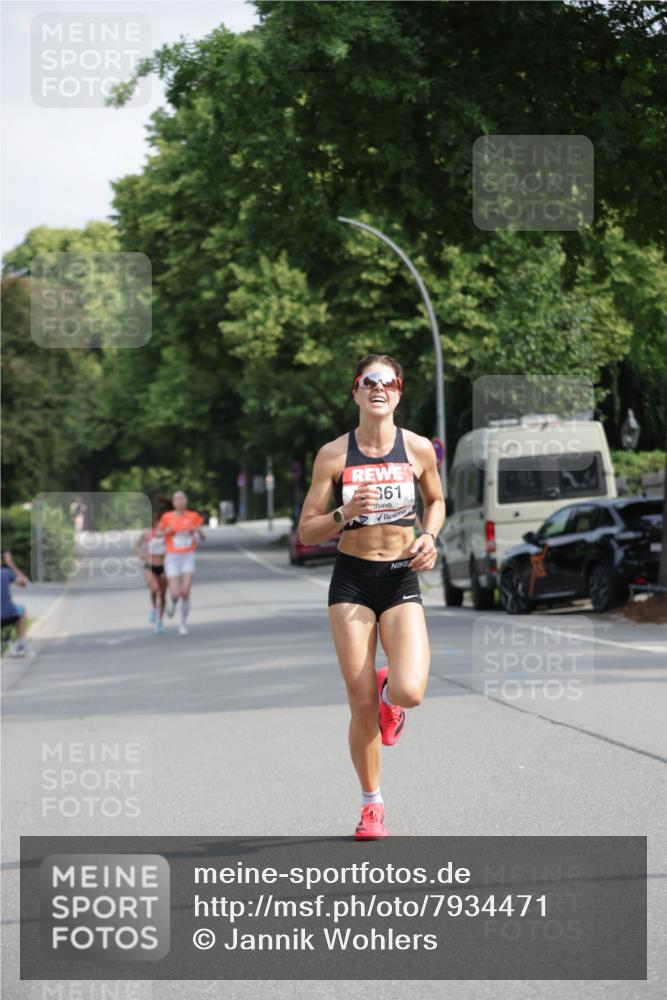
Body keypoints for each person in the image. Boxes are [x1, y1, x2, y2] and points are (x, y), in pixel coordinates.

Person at [298, 354, 445, 839]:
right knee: (360, 707)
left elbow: (437, 501)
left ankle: (390, 694)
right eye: (369, 381)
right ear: (356, 392)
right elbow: (306, 530)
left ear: (399, 393)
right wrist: (344, 513)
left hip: (402, 576)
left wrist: (430, 536)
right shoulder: (334, 455)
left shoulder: (420, 449)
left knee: (411, 691)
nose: (379, 388)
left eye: (388, 382)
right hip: (353, 581)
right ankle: (371, 804)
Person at [156, 490, 205, 636]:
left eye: (182, 498)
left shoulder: (193, 516)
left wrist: (198, 531)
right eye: (177, 499)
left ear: (186, 500)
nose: (180, 501)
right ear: (173, 502)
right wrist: (166, 531)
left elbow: (203, 536)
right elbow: (157, 533)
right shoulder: (167, 517)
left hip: (188, 556)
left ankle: (183, 624)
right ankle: (172, 603)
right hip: (172, 557)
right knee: (175, 592)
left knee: (186, 591)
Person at [135, 510, 168, 634]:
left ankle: (160, 621)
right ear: (154, 522)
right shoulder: (148, 534)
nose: (160, 524)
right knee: (154, 589)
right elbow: (138, 545)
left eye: (163, 523)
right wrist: (140, 555)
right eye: (158, 522)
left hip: (164, 566)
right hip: (149, 566)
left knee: (163, 595)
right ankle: (154, 608)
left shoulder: (168, 535)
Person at [1, 551, 29, 657]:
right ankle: (21, 642)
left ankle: (7, 641)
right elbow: (23, 583)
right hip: (9, 612)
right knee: (22, 610)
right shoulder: (5, 572)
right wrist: (11, 564)